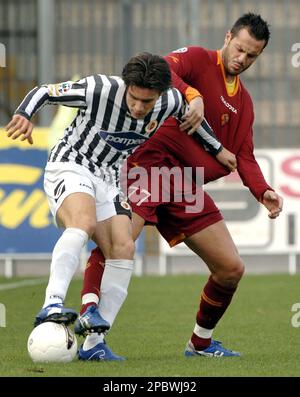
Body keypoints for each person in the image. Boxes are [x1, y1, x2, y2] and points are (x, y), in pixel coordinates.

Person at [75, 13, 283, 361]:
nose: (242, 59)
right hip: (150, 166)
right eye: (240, 49)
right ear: (228, 36)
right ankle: (91, 330)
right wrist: (192, 94)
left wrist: (262, 191)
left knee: (231, 269)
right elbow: (160, 69)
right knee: (119, 244)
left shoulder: (244, 103)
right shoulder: (199, 59)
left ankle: (199, 343)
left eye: (252, 56)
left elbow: (243, 156)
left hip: (183, 187)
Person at [4, 52, 233, 355]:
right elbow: (45, 92)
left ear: (160, 95)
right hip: (72, 163)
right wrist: (24, 113)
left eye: (147, 102)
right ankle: (52, 303)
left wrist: (218, 149)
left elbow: (193, 119)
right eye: (134, 98)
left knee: (124, 246)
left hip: (110, 177)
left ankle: (95, 343)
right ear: (126, 86)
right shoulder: (98, 89)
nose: (139, 108)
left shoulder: (171, 101)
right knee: (83, 223)